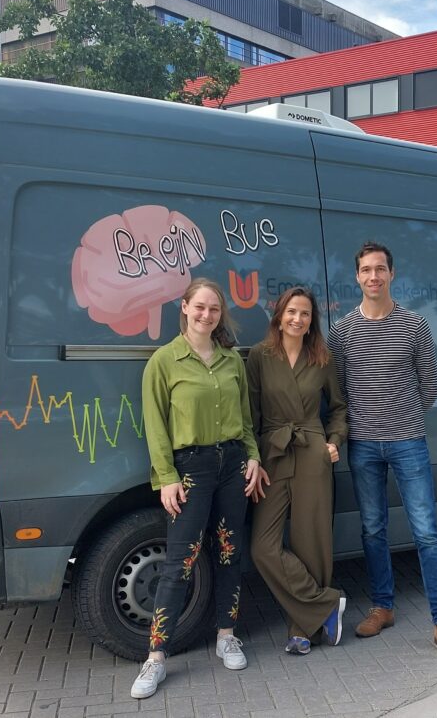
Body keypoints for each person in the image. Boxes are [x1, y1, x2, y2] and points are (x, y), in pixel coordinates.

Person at [327, 241, 437, 659]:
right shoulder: (342, 331)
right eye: (366, 269)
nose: (374, 276)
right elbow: (338, 393)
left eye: (380, 269)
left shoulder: (414, 326)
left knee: (426, 532)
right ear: (357, 276)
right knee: (373, 530)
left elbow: (429, 388)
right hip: (363, 447)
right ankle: (382, 606)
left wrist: (400, 419)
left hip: (408, 442)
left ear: (392, 274)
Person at [131, 278, 266, 699]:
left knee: (230, 552)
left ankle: (227, 635)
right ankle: (155, 657)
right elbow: (155, 425)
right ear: (185, 308)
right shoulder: (164, 361)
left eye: (214, 309)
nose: (207, 315)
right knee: (180, 560)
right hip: (190, 469)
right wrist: (166, 476)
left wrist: (254, 457)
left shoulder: (231, 361)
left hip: (232, 466)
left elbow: (245, 420)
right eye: (200, 307)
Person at [247, 287, 348, 655]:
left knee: (311, 542)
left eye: (304, 314)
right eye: (291, 311)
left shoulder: (322, 357)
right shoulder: (260, 356)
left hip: (311, 452)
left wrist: (335, 440)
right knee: (263, 547)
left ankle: (302, 631)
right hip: (272, 454)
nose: (297, 319)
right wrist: (253, 457)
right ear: (279, 314)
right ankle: (325, 605)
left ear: (311, 321)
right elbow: (251, 413)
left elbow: (339, 407)